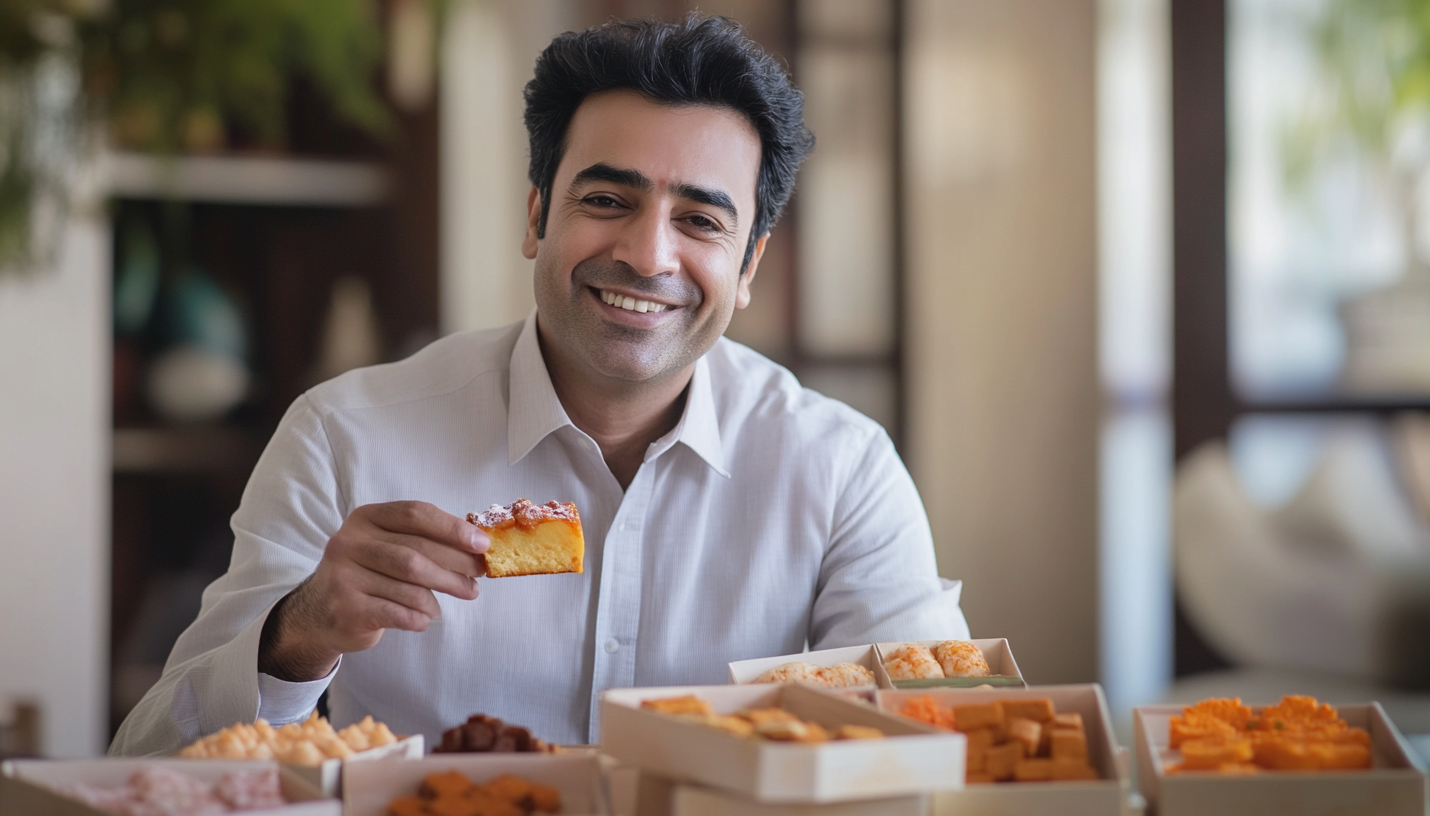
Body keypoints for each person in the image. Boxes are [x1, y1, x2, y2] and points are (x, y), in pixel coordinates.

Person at [111, 14, 968, 755]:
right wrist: (295, 635)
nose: (648, 254)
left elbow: (944, 737)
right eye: (606, 200)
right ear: (536, 217)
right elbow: (150, 757)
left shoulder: (842, 469)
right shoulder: (345, 436)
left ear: (750, 265)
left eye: (701, 221)